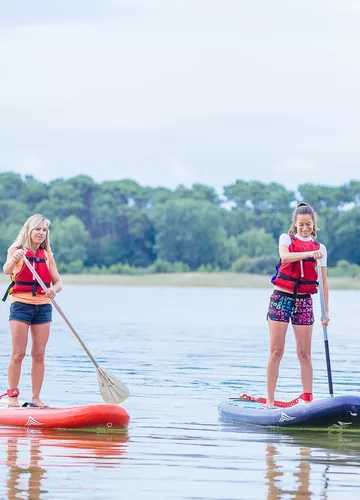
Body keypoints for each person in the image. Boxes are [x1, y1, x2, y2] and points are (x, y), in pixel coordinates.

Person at [266, 202, 329, 408]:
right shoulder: (286, 239)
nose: (304, 228)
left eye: (308, 225)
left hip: (304, 302)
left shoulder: (320, 248)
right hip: (281, 299)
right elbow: (285, 257)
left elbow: (324, 283)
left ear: (313, 225)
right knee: (277, 352)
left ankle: (308, 400)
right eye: (300, 224)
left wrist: (326, 312)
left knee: (305, 353)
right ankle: (270, 401)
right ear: (295, 224)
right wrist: (309, 254)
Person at [2, 214, 63, 408]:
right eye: (37, 229)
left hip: (43, 307)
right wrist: (15, 259)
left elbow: (58, 282)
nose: (41, 233)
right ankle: (13, 398)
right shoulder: (16, 250)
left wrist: (54, 290)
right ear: (29, 230)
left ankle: (36, 398)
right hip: (21, 305)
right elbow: (6, 270)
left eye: (44, 230)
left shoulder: (47, 255)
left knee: (39, 354)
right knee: (18, 353)